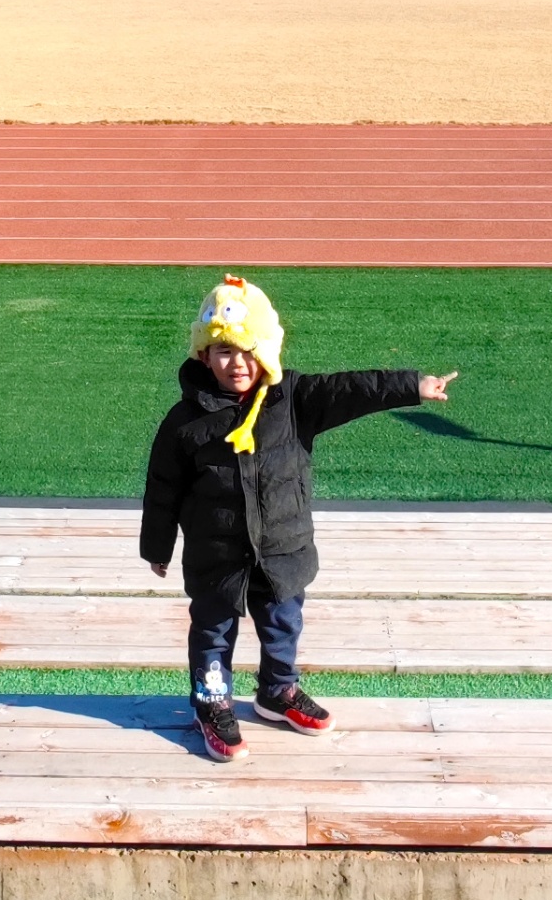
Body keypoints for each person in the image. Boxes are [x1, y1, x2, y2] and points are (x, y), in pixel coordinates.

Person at [139, 275, 458, 762]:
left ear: (266, 350)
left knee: (283, 624)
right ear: (204, 356)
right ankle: (212, 702)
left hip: (282, 550)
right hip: (217, 555)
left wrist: (411, 386)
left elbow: (352, 389)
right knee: (212, 633)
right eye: (223, 352)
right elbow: (163, 489)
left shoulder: (294, 400)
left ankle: (277, 691)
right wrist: (157, 546)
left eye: (247, 351)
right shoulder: (184, 422)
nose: (237, 364)